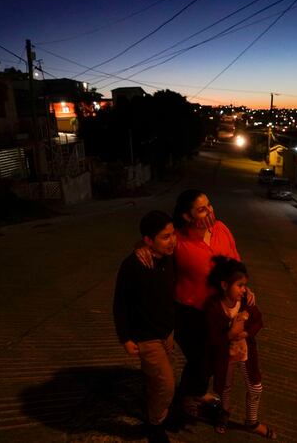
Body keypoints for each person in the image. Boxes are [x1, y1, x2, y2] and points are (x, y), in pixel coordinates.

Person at [137, 189, 244, 419]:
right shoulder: (178, 239)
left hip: (221, 311)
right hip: (190, 312)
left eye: (210, 205)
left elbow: (236, 261)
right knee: (200, 359)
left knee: (215, 357)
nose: (210, 211)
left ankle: (197, 392)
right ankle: (186, 398)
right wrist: (141, 249)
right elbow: (155, 246)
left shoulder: (221, 229)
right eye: (202, 209)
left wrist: (243, 287)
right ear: (187, 216)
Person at [113, 210, 178, 443]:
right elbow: (120, 303)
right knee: (166, 384)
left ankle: (154, 412)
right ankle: (155, 425)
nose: (172, 241)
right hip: (146, 336)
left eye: (172, 234)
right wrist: (125, 338)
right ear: (149, 240)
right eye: (165, 236)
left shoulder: (168, 258)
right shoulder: (133, 265)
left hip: (166, 333)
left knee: (155, 381)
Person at [205, 256, 276, 439]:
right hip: (225, 355)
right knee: (224, 387)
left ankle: (251, 422)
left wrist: (246, 333)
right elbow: (213, 338)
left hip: (245, 351)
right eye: (240, 285)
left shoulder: (245, 301)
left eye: (245, 285)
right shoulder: (213, 307)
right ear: (224, 285)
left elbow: (258, 321)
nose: (244, 290)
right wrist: (229, 334)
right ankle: (224, 415)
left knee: (255, 387)